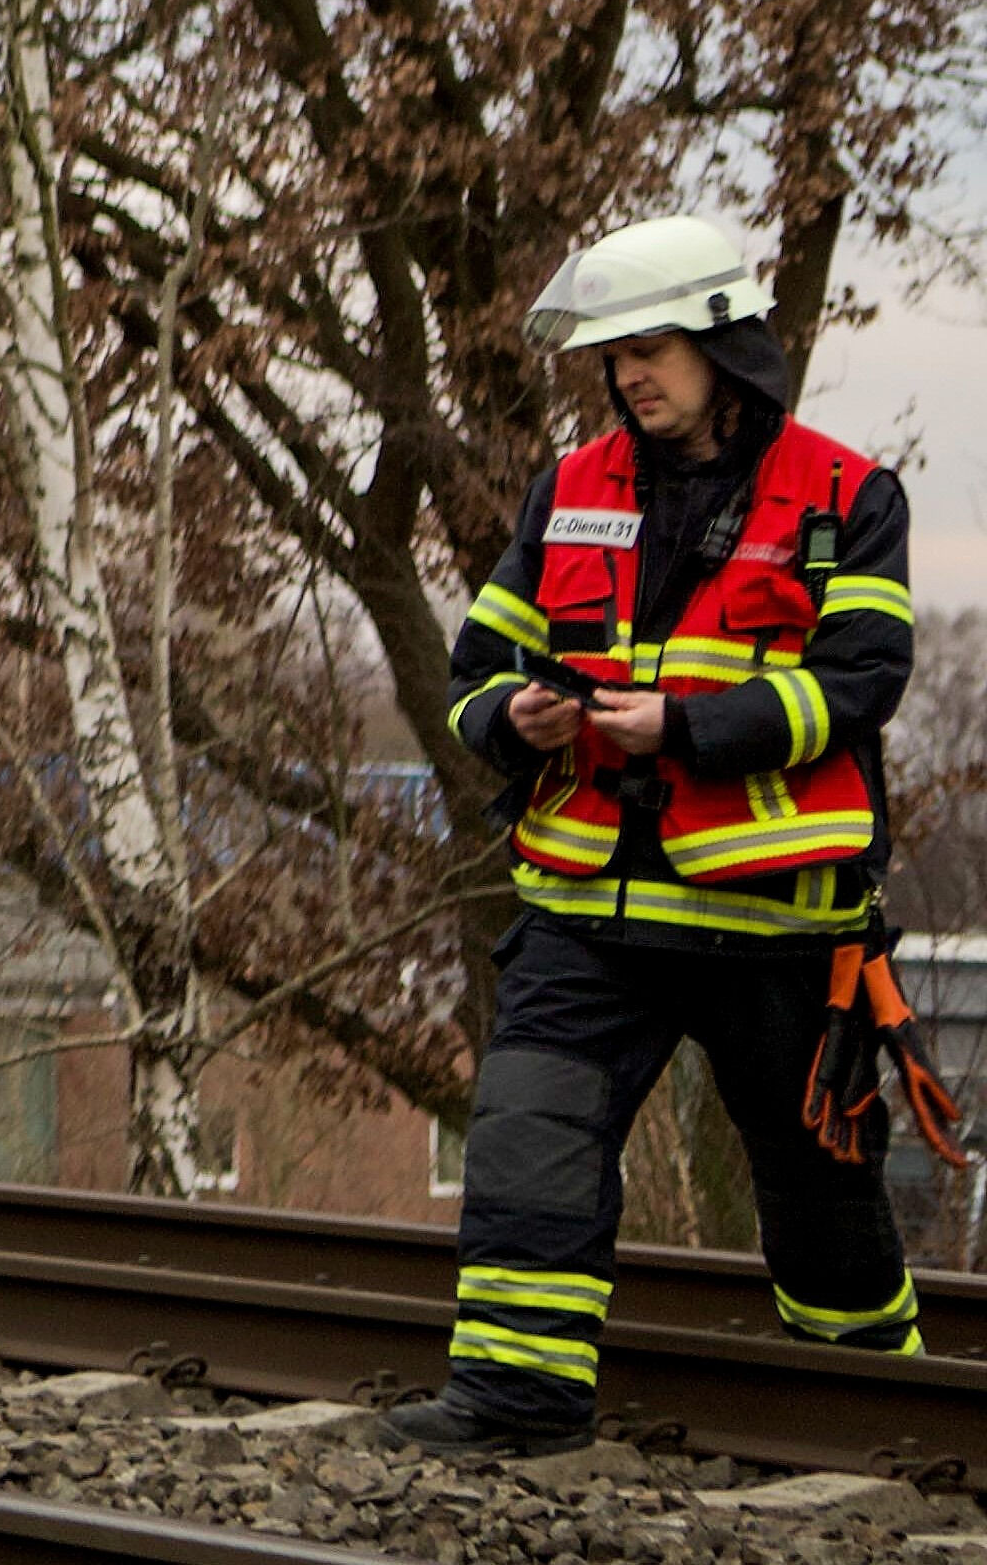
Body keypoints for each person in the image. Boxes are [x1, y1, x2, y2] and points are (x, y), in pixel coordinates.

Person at [394, 211, 931, 1459]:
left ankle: (887, 1425)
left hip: (776, 925)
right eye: (614, 353)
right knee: (526, 1143)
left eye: (653, 346)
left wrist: (685, 729)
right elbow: (474, 670)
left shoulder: (851, 495)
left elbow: (861, 683)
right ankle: (514, 1404)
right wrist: (514, 719)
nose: (630, 372)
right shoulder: (570, 490)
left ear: (723, 342)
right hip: (586, 910)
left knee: (822, 1200)